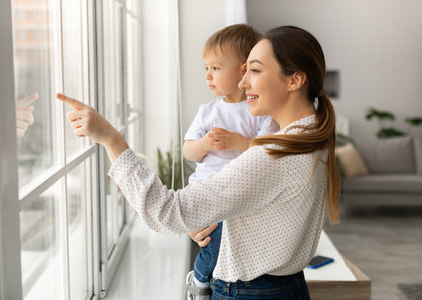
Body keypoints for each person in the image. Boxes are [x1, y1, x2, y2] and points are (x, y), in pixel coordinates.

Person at [57, 25, 340, 299]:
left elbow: (166, 212)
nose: (243, 82)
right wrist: (213, 216)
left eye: (254, 70)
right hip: (286, 286)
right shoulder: (312, 132)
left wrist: (110, 139)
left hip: (250, 292)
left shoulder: (274, 154)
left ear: (294, 80)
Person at [182, 24, 279, 298]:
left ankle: (204, 277)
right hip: (205, 189)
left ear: (243, 70)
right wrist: (203, 144)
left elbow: (267, 153)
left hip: (239, 193)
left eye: (215, 68)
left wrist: (238, 142)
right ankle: (200, 278)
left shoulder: (260, 112)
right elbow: (188, 152)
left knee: (224, 241)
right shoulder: (207, 111)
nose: (207, 76)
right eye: (206, 68)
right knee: (213, 240)